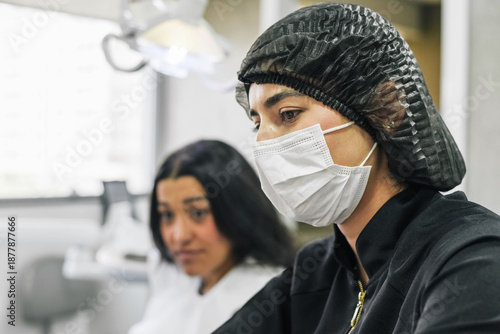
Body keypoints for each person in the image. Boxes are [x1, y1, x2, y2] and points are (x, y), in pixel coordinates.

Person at [212, 3, 500, 334]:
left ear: (388, 107)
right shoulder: (314, 273)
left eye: (288, 114)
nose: (264, 143)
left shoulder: (473, 258)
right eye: (257, 123)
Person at [128, 140, 295, 334]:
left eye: (198, 213)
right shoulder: (172, 277)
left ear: (236, 213)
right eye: (167, 215)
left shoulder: (268, 298)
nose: (179, 236)